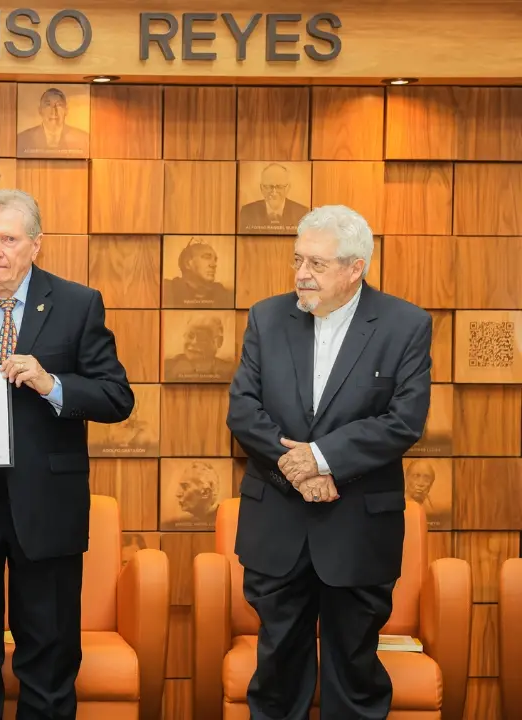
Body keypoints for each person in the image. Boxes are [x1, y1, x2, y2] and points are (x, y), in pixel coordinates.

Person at [0, 189, 134, 719]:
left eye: (8, 240)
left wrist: (52, 382)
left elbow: (117, 397)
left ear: (36, 245)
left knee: (49, 653)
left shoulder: (79, 304)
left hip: (46, 504)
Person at [227, 204, 433, 720]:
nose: (301, 273)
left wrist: (321, 458)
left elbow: (403, 421)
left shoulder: (405, 324)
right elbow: (243, 411)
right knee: (276, 676)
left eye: (316, 264)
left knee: (356, 677)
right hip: (278, 524)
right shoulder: (267, 316)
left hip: (358, 528)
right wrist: (299, 472)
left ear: (354, 268)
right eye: (298, 259)